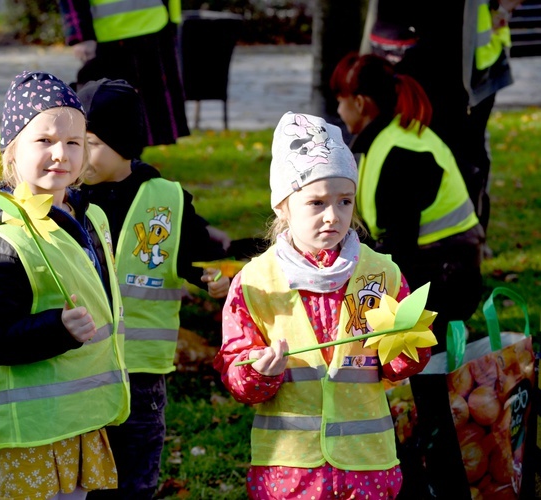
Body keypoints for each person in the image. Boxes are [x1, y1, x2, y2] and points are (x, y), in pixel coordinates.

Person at [214, 111, 433, 500]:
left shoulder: (382, 273)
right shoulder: (255, 283)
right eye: (316, 203)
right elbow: (238, 373)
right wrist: (259, 372)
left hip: (366, 467)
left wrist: (408, 347)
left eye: (344, 201)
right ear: (283, 205)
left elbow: (400, 367)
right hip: (290, 475)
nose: (333, 216)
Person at [0, 70, 130, 499]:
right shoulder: (5, 240)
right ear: (10, 152)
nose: (61, 154)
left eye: (74, 142)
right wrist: (57, 330)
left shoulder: (90, 216)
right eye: (44, 141)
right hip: (36, 426)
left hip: (82, 413)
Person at [75, 78, 230, 499]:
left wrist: (214, 279)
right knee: (86, 477)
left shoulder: (167, 199)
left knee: (137, 475)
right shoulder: (65, 200)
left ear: (122, 141)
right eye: (73, 142)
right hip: (80, 366)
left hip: (142, 372)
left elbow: (198, 257)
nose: (77, 155)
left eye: (88, 142)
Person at [330, 52, 485, 350]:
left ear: (360, 103)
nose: (338, 109)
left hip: (444, 277)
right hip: (445, 267)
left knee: (422, 370)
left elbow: (401, 246)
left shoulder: (399, 155)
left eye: (340, 100)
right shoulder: (391, 138)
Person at [361, 0, 523, 244]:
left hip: (465, 67)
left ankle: (469, 237)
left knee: (464, 151)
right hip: (408, 52)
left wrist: (502, 7)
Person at [56, 0, 190, 147]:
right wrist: (81, 34)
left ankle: (131, 163)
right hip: (109, 35)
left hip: (153, 25)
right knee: (106, 114)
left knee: (146, 114)